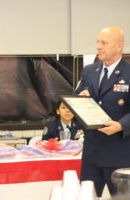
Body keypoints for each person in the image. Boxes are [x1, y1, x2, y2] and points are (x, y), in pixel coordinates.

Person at [74, 27, 130, 197]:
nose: (98, 46)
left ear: (119, 46)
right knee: (87, 196)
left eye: (104, 43)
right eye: (97, 42)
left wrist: (121, 125)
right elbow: (76, 99)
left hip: (119, 154)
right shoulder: (90, 71)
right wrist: (80, 98)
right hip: (91, 153)